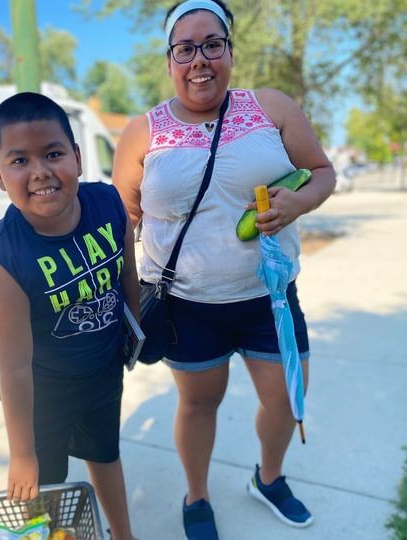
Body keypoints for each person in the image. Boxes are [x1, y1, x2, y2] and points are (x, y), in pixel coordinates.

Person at [113, 0, 336, 538]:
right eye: (185, 49)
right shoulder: (142, 132)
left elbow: (322, 172)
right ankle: (197, 496)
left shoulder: (272, 108)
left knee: (285, 398)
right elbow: (122, 224)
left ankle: (270, 476)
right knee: (199, 404)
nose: (200, 60)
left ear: (230, 52)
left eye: (212, 44)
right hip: (187, 306)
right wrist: (124, 300)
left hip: (271, 297)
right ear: (169, 60)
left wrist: (297, 203)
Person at [0, 92, 139, 540]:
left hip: (102, 372)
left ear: (78, 158)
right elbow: (15, 367)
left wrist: (135, 334)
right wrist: (21, 452)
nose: (41, 171)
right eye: (19, 160)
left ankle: (123, 533)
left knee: (105, 453)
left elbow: (127, 274)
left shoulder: (108, 203)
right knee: (42, 487)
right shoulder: (1, 262)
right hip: (42, 394)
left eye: (53, 153)